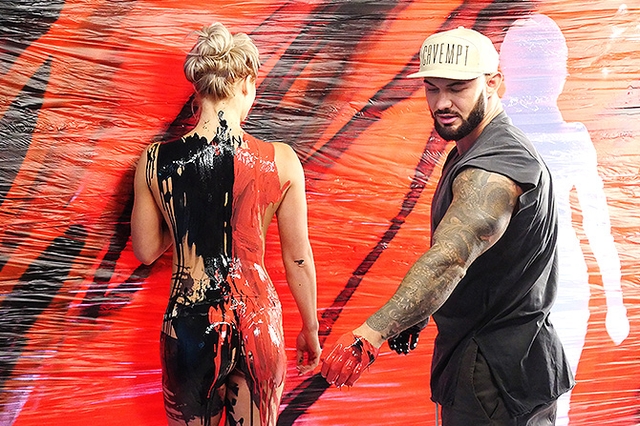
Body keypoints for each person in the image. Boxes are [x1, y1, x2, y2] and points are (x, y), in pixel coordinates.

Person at [321, 26, 574, 425]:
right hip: (505, 365)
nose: (442, 102)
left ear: (493, 83)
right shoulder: (474, 149)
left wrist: (371, 333)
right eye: (432, 88)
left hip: (494, 373)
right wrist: (418, 313)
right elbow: (478, 261)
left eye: (457, 88)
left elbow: (450, 258)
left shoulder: (494, 166)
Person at [131, 22, 321, 426]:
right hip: (257, 320)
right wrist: (311, 328)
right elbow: (298, 258)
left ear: (198, 91)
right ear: (248, 84)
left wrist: (186, 214)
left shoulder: (155, 160)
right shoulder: (282, 160)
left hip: (189, 322)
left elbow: (145, 251)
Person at [500, 14, 629, 425]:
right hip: (534, 279)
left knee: (543, 399)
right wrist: (615, 302)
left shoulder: (561, 138)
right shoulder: (496, 136)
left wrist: (616, 301)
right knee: (536, 400)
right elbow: (597, 225)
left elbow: (598, 224)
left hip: (548, 279)